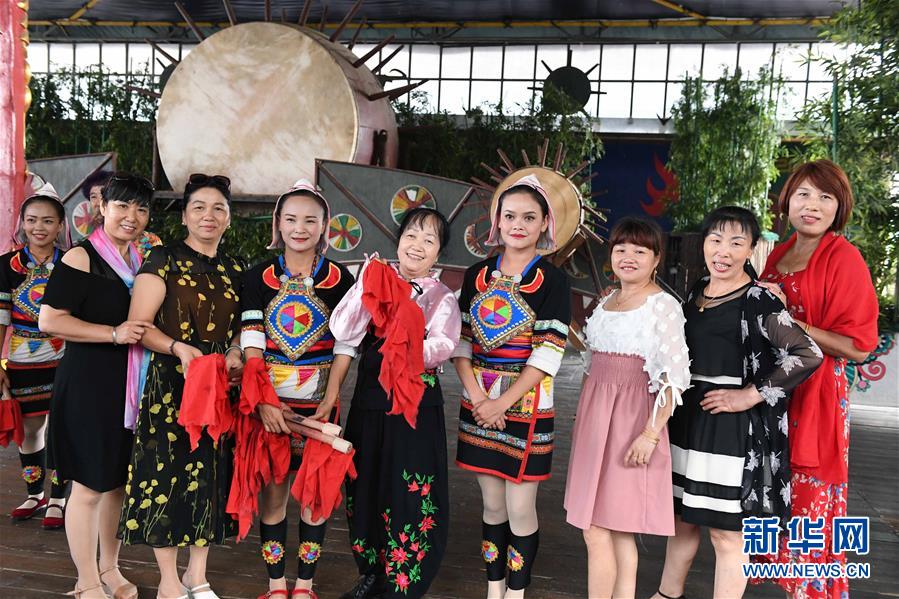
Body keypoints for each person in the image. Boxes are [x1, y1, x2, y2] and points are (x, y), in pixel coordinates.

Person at [653, 206, 823, 599]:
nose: (723, 251)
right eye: (715, 240)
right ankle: (667, 594)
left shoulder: (759, 299)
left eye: (735, 242)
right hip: (687, 420)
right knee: (681, 520)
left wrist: (749, 394)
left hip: (729, 429)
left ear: (751, 249)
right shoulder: (698, 290)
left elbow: (807, 353)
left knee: (726, 534)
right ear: (704, 244)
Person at [757, 160, 879, 598]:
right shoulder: (778, 254)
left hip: (817, 394)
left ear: (838, 207)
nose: (812, 205)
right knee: (776, 497)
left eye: (825, 197)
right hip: (775, 392)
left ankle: (812, 590)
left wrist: (797, 324)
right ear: (788, 201)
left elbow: (859, 347)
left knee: (810, 501)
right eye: (803, 194)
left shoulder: (843, 258)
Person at [118, 173, 244, 599]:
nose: (209, 215)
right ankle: (169, 581)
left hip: (218, 385)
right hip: (171, 385)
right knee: (166, 477)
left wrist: (236, 351)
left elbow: (245, 326)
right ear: (185, 216)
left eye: (218, 208)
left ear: (229, 218)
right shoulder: (162, 259)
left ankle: (197, 574)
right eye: (199, 207)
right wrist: (177, 347)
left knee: (210, 474)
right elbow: (139, 325)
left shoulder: (235, 267)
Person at [330, 207, 460, 599]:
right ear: (398, 240)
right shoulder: (374, 277)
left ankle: (405, 582)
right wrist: (365, 286)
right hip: (370, 400)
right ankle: (371, 573)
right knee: (365, 485)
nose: (417, 245)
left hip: (415, 405)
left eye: (429, 240)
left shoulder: (441, 296)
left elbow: (444, 345)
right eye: (411, 235)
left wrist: (401, 346)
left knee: (411, 490)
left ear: (438, 252)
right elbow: (343, 329)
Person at [453, 174, 571, 599]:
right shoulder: (475, 275)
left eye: (529, 217)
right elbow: (461, 342)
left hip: (527, 405)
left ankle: (517, 593)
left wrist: (501, 401)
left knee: (521, 507)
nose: (518, 225)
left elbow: (548, 353)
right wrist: (479, 399)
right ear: (497, 222)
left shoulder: (553, 281)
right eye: (510, 216)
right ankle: (494, 588)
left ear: (545, 224)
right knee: (492, 505)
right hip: (478, 403)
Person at [39, 172, 155, 599]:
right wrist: (113, 333)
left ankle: (110, 569)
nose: (131, 216)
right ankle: (85, 580)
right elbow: (50, 320)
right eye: (122, 206)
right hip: (88, 384)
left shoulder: (140, 260)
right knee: (88, 487)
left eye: (141, 209)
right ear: (102, 207)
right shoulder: (81, 257)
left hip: (128, 386)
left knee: (117, 484)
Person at [564, 217, 691, 598]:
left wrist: (650, 434)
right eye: (621, 249)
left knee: (598, 529)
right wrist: (582, 423)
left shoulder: (663, 306)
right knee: (616, 532)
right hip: (595, 421)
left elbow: (674, 378)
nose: (629, 257)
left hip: (633, 422)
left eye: (640, 250)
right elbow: (590, 366)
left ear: (656, 259)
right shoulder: (606, 302)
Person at [239, 180, 355, 599]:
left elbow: (346, 343)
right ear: (278, 223)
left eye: (310, 220)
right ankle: (276, 585)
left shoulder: (340, 279)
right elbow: (253, 344)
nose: (299, 228)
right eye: (290, 219)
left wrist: (332, 394)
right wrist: (266, 403)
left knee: (314, 496)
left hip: (320, 406)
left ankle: (304, 585)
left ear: (325, 225)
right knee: (274, 495)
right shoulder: (257, 277)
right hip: (270, 405)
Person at [0, 186, 72, 529]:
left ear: (60, 226)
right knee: (31, 428)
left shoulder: (73, 263)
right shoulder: (6, 265)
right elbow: (1, 318)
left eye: (47, 221)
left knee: (62, 427)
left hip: (66, 357)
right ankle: (35, 493)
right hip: (22, 359)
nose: (38, 227)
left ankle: (58, 497)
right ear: (22, 223)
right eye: (31, 220)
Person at [82, 170, 161, 257]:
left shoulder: (150, 243)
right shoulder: (83, 252)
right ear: (104, 206)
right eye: (93, 197)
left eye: (141, 210)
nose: (131, 218)